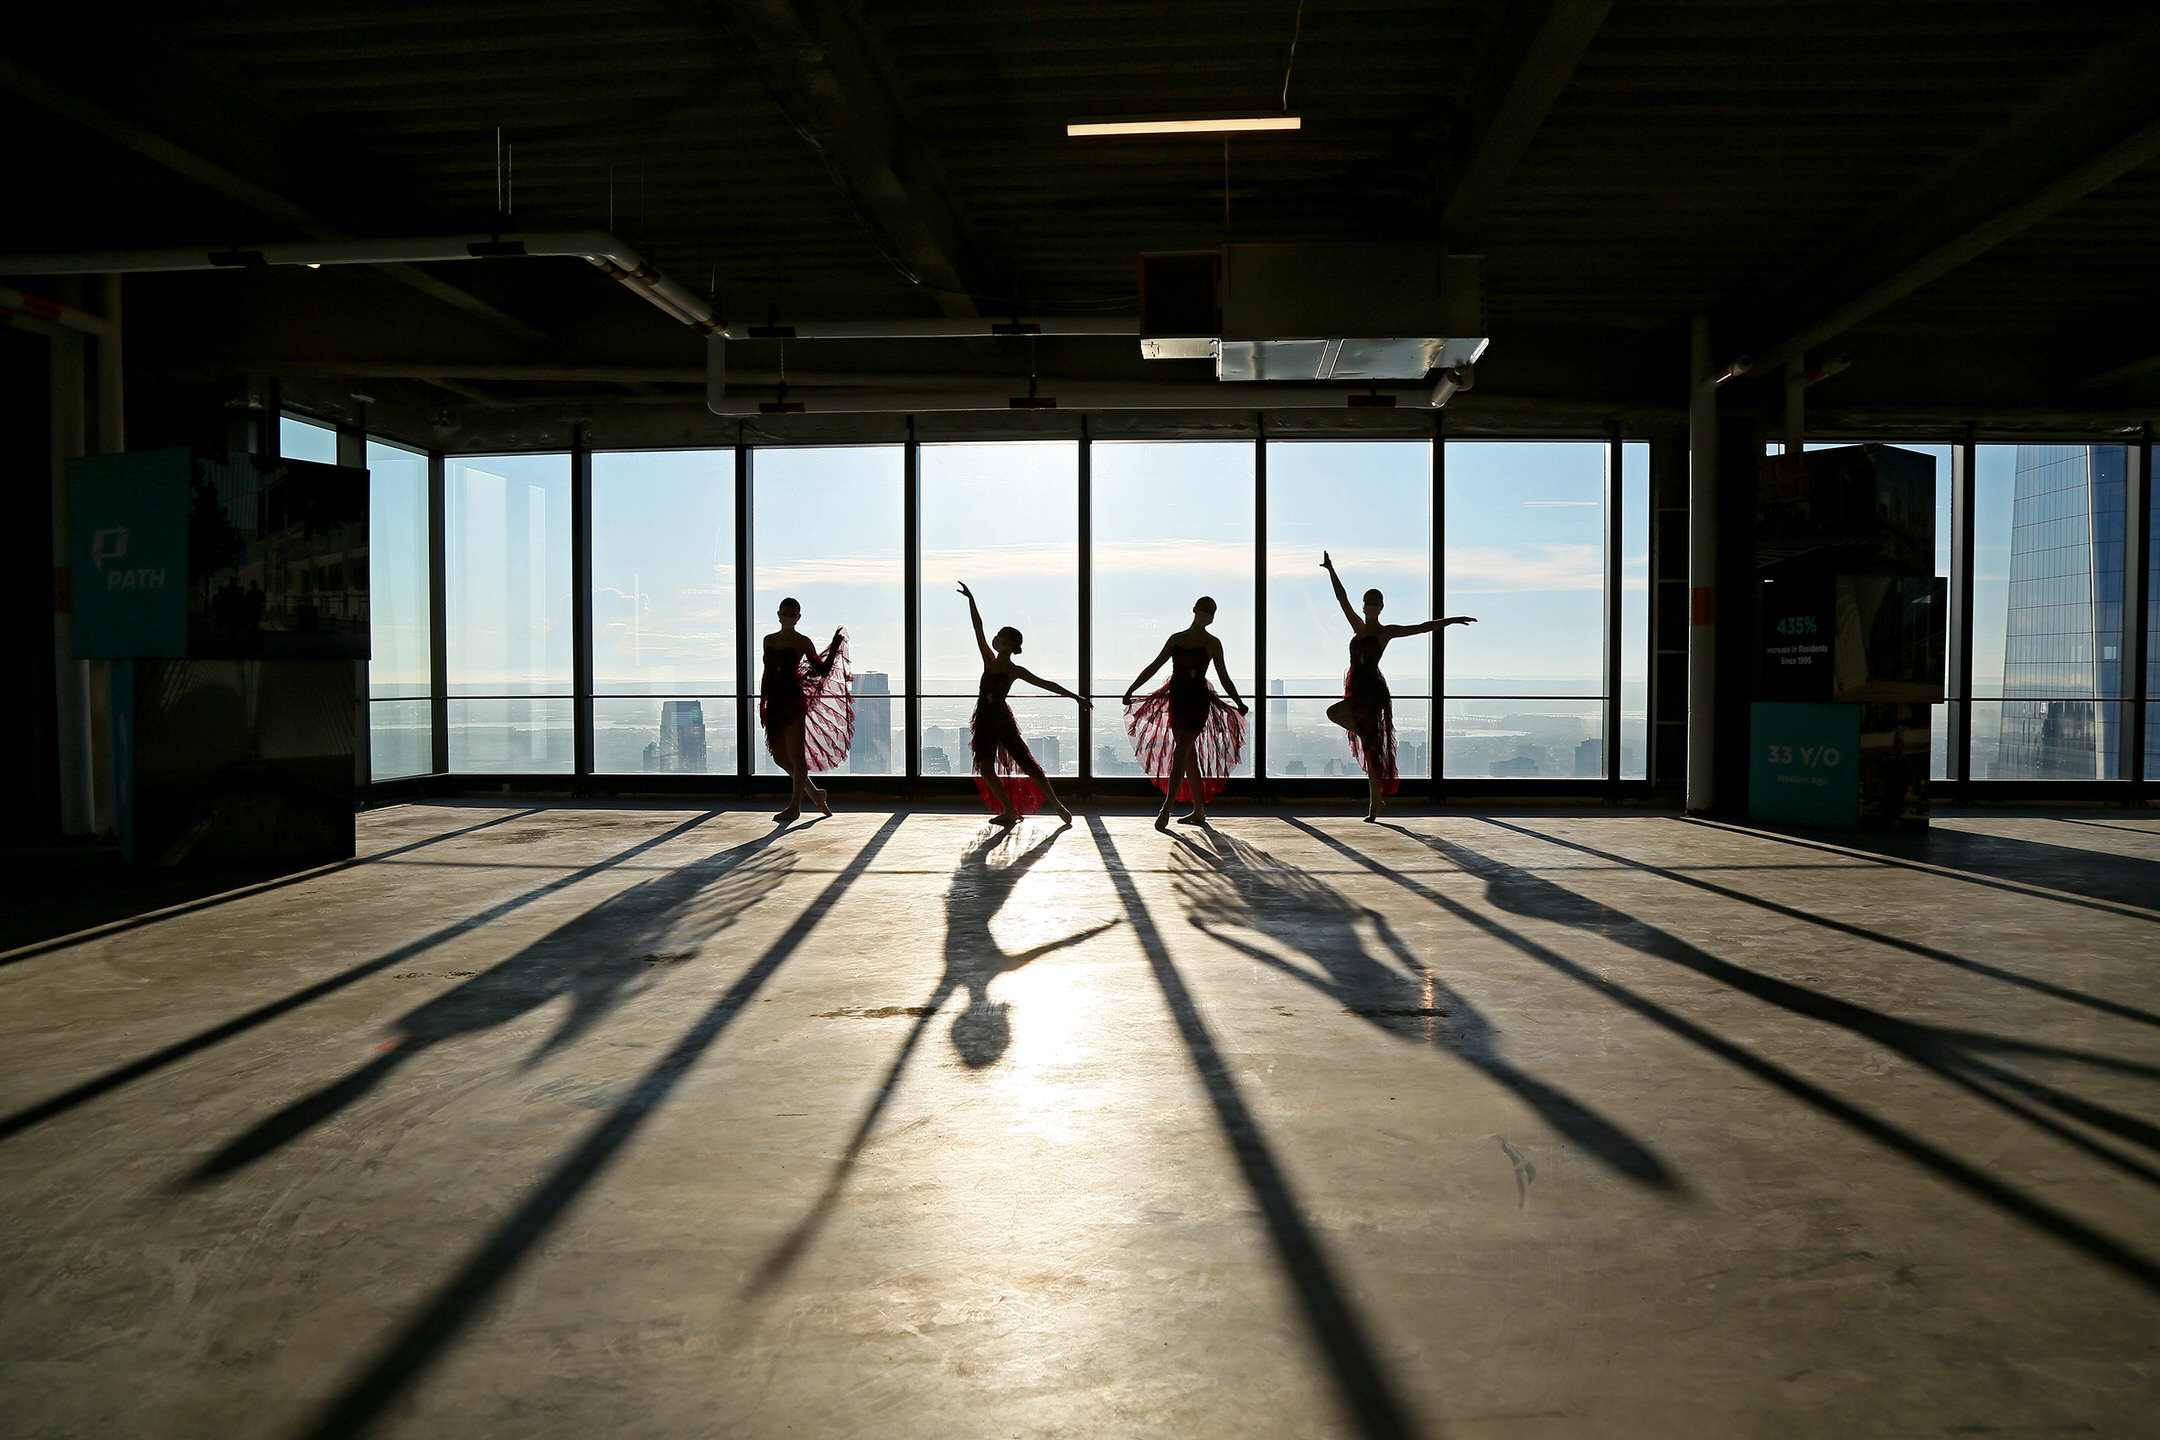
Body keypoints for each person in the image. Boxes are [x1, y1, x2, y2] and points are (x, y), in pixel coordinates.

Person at [1319, 550, 1476, 821]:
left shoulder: (1384, 631)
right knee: (1340, 719)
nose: (1370, 606)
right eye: (1367, 602)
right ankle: (1375, 797)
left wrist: (1450, 620)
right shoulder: (1357, 627)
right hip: (1357, 687)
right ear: (1364, 606)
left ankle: (1373, 805)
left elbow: (1421, 627)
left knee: (1365, 743)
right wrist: (1331, 570)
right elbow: (1341, 599)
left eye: (1375, 603)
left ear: (1381, 607)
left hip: (1373, 690)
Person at [957, 583, 1088, 827]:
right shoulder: (990, 660)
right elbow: (978, 627)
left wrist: (1075, 697)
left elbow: (1046, 684)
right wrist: (971, 600)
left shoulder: (1011, 669)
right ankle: (1009, 810)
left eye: (1001, 635)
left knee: (1024, 762)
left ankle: (1056, 804)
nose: (995, 637)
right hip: (986, 719)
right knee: (987, 767)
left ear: (1008, 644)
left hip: (997, 719)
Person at [1122, 595, 1248, 830]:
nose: (1208, 615)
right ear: (1195, 610)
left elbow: (1224, 677)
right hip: (1177, 700)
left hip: (1198, 701)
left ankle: (1166, 809)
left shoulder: (1213, 643)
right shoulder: (1176, 639)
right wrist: (1131, 689)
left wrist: (1239, 702)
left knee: (1181, 754)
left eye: (1212, 612)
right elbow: (1153, 666)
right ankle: (1199, 811)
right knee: (1188, 757)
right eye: (1205, 610)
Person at [759, 597, 852, 824]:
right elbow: (767, 673)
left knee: (796, 756)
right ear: (778, 614)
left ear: (798, 618)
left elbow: (821, 671)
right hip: (775, 702)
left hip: (792, 700)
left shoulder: (803, 642)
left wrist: (834, 648)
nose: (789, 618)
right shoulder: (768, 640)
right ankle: (816, 794)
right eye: (786, 614)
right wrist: (763, 703)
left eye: (793, 615)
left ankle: (794, 807)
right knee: (780, 757)